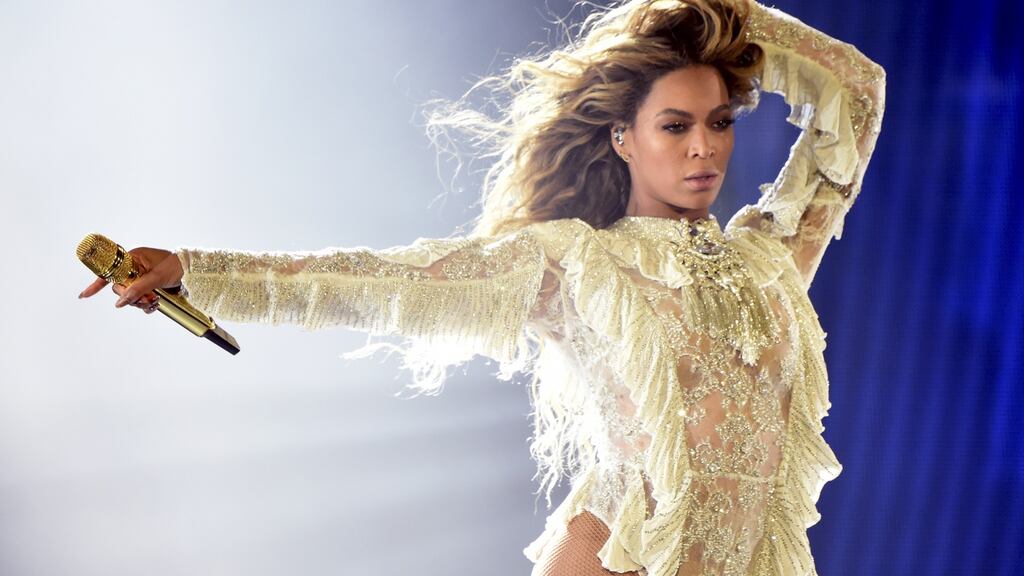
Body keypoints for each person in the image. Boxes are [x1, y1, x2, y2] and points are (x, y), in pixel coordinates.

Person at [78, 0, 885, 573]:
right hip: (616, 558)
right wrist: (199, 270)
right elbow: (381, 280)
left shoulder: (772, 259)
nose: (703, 147)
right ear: (623, 138)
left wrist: (721, 15)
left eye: (720, 122)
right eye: (675, 125)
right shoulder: (576, 261)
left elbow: (857, 91)